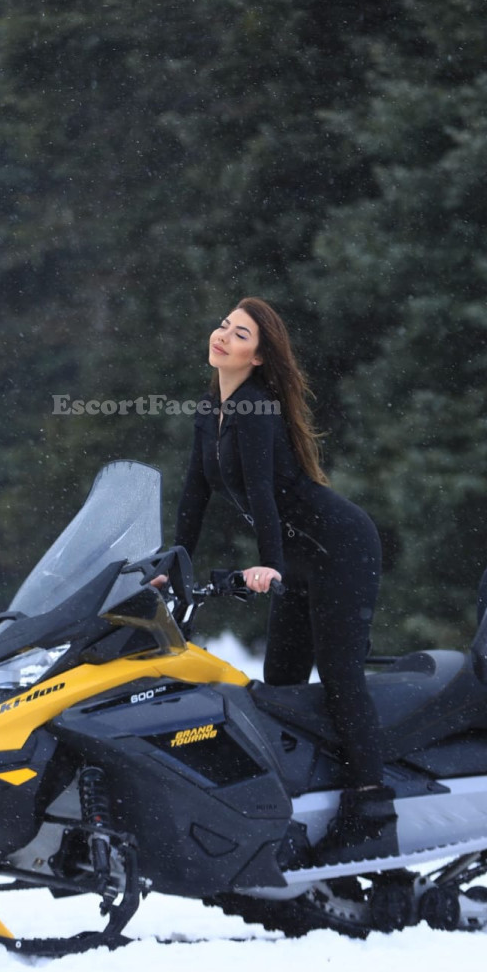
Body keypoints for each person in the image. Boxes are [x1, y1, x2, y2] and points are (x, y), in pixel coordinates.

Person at [171, 296, 395, 862]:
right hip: (295, 555)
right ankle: (302, 803)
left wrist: (268, 561)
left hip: (340, 545)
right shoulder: (211, 407)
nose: (223, 335)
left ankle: (372, 812)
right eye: (224, 325)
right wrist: (171, 564)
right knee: (282, 682)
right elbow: (195, 493)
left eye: (240, 334)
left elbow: (265, 492)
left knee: (339, 672)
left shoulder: (255, 406)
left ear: (258, 358)